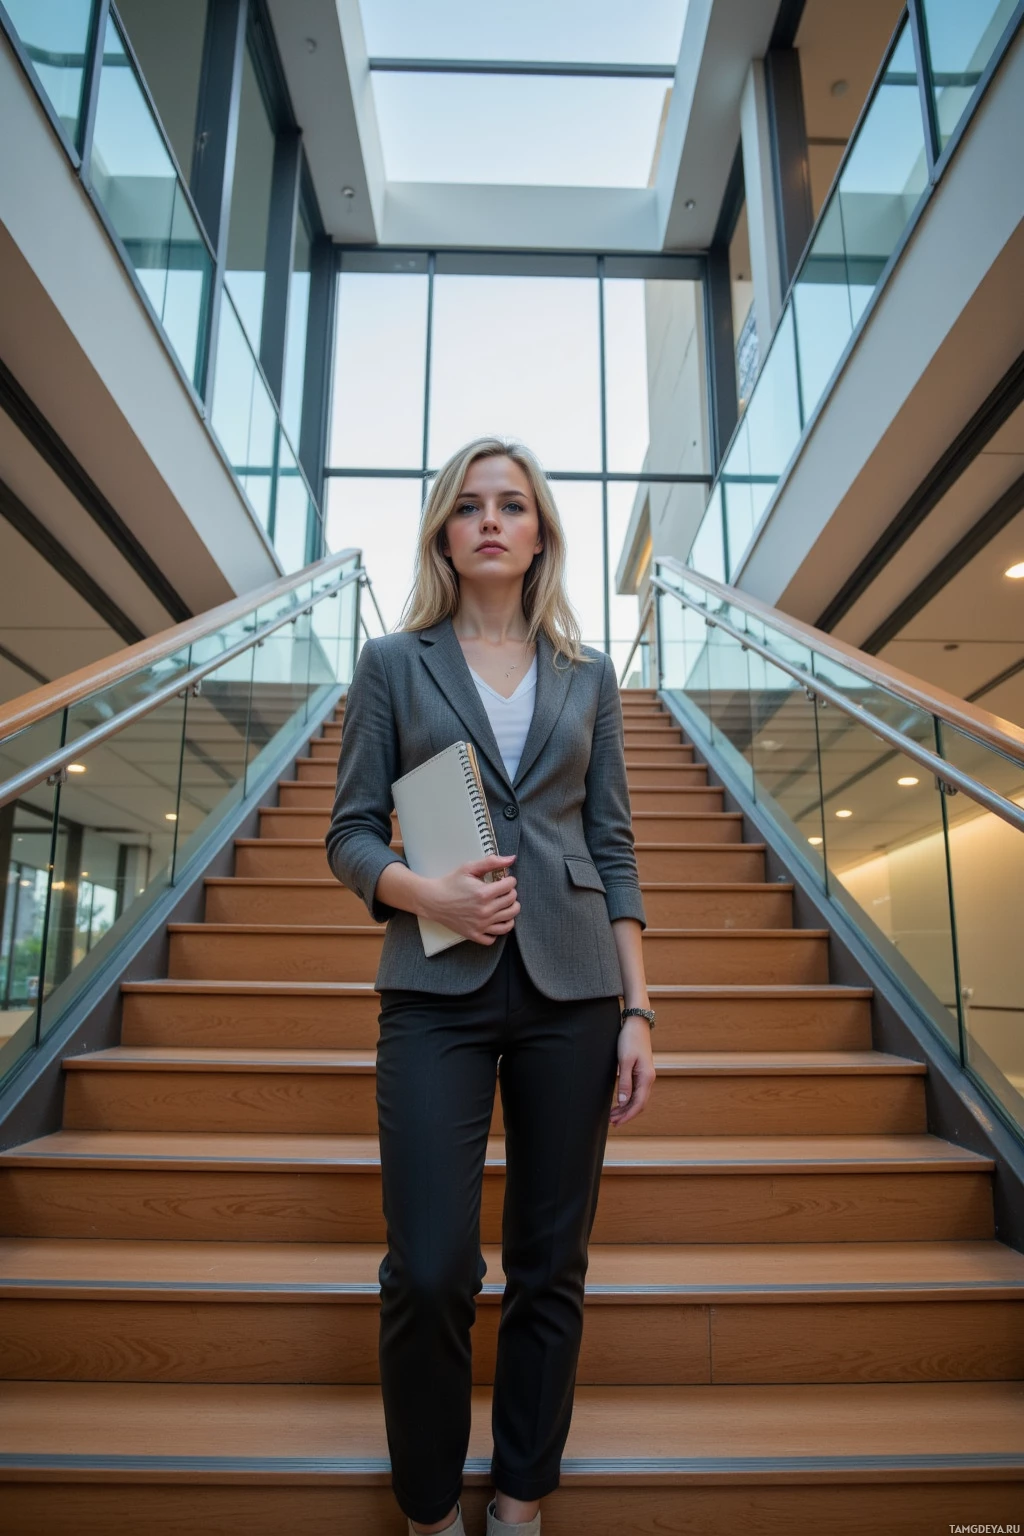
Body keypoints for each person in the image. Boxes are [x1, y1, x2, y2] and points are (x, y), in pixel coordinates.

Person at [326, 436, 656, 1535]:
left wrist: (639, 1010)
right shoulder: (392, 664)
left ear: (540, 532)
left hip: (571, 990)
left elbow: (611, 845)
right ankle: (427, 1504)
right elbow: (349, 836)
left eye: (513, 505)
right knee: (429, 1267)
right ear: (443, 531)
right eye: (469, 506)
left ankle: (518, 1495)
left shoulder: (588, 676)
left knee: (549, 1261)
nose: (491, 522)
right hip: (435, 990)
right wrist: (431, 896)